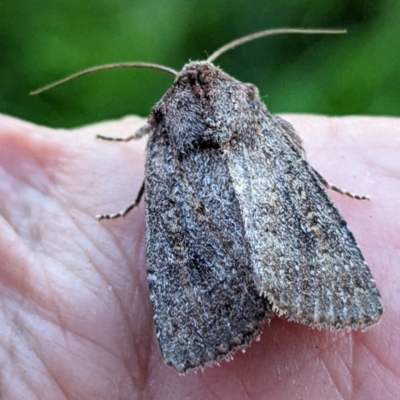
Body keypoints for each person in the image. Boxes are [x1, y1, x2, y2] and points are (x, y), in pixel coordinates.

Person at [0, 113, 397, 399]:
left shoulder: (167, 128)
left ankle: (215, 322)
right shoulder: (246, 105)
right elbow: (287, 138)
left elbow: (152, 177)